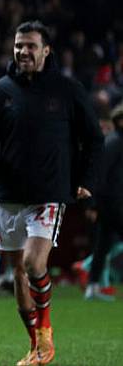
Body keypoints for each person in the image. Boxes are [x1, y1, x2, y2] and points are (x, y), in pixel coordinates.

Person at [0, 20, 103, 365]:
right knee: (17, 272)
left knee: (33, 263)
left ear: (46, 50)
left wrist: (87, 180)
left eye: (30, 46)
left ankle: (46, 336)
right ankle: (35, 346)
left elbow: (94, 138)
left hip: (49, 192)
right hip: (9, 193)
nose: (23, 52)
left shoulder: (66, 90)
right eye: (18, 46)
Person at [87, 103, 123, 300]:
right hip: (113, 204)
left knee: (102, 246)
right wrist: (93, 204)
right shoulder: (114, 143)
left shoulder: (115, 141)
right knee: (103, 245)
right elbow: (99, 175)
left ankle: (92, 287)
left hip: (111, 203)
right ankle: (92, 285)